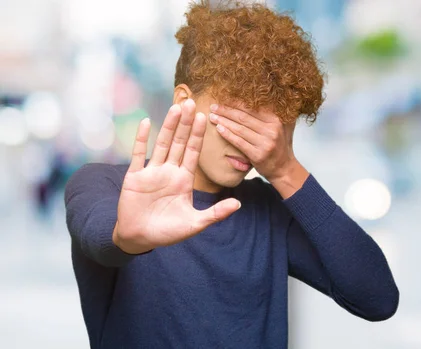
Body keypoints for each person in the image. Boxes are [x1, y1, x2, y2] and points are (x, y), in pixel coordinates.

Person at [64, 1, 399, 348]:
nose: (250, 145)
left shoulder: (268, 211)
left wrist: (286, 170)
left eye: (268, 127)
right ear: (184, 101)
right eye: (240, 120)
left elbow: (377, 299)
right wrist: (128, 237)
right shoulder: (103, 185)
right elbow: (99, 235)